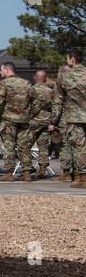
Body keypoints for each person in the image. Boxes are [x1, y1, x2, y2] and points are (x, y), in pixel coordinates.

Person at [0, 62, 34, 181]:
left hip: (8, 119)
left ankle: (9, 173)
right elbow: (36, 101)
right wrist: (30, 114)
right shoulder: (26, 83)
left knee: (9, 146)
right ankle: (26, 172)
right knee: (24, 146)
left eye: (1, 70)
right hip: (24, 119)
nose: (0, 72)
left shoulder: (4, 84)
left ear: (6, 70)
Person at [52, 51, 86, 187]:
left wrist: (54, 119)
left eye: (67, 58)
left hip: (75, 117)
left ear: (72, 59)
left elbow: (58, 99)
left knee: (79, 147)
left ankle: (83, 177)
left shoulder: (64, 76)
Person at [29, 69, 57, 179]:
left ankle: (28, 166)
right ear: (45, 79)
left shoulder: (30, 90)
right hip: (46, 121)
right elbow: (56, 107)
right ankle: (42, 169)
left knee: (25, 145)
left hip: (32, 121)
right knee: (43, 146)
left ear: (35, 78)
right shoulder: (50, 91)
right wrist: (52, 120)